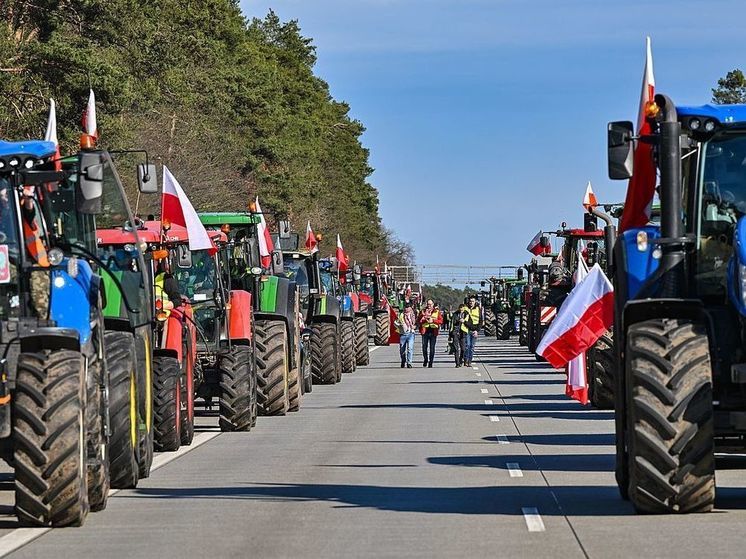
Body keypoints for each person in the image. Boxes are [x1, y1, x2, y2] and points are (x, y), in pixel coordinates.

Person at [418, 299, 443, 367]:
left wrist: (433, 320)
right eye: (428, 304)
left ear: (433, 305)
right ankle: (425, 359)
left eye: (430, 304)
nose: (429, 306)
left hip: (433, 331)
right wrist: (424, 319)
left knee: (432, 348)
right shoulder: (423, 311)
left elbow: (441, 321)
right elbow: (418, 320)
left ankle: (431, 362)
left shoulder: (437, 312)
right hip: (425, 331)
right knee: (424, 347)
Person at [396, 299, 417, 368]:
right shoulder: (401, 315)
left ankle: (409, 362)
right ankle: (403, 360)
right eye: (406, 307)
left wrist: (415, 326)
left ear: (411, 307)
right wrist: (399, 325)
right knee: (402, 349)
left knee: (410, 348)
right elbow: (395, 323)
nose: (407, 308)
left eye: (408, 307)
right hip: (403, 334)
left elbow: (417, 323)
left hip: (411, 333)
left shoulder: (413, 314)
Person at [461, 295, 481, 367]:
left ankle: (470, 361)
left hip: (474, 330)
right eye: (470, 301)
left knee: (472, 347)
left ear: (475, 302)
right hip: (467, 330)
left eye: (473, 301)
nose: (471, 303)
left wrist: (477, 330)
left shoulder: (478, 309)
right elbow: (462, 319)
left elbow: (480, 321)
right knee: (467, 345)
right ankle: (465, 360)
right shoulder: (465, 309)